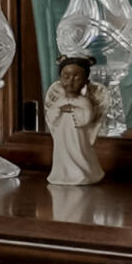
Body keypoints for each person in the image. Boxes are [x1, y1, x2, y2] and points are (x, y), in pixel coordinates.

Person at [44, 53, 107, 185]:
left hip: (77, 134)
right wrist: (59, 110)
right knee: (62, 153)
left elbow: (87, 118)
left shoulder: (84, 101)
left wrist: (72, 110)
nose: (70, 81)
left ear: (85, 81)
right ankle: (63, 174)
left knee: (79, 151)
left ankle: (82, 172)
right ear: (60, 79)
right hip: (62, 134)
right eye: (66, 77)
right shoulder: (59, 100)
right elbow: (51, 115)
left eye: (77, 77)